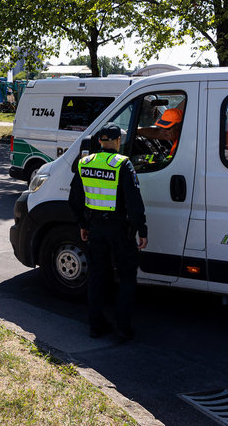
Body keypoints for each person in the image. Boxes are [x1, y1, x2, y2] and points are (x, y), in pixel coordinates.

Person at [69, 122, 148, 340]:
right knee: (127, 276)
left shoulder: (85, 163)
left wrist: (82, 224)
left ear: (99, 142)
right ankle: (123, 329)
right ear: (117, 141)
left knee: (97, 276)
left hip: (95, 227)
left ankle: (96, 326)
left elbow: (74, 199)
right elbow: (134, 202)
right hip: (119, 228)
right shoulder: (122, 164)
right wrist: (142, 228)